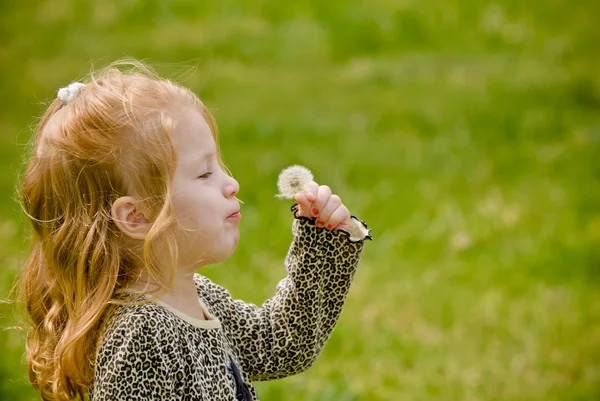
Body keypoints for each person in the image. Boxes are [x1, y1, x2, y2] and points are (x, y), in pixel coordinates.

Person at [18, 59, 372, 401]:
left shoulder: (191, 293)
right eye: (205, 174)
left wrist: (322, 241)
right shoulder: (141, 336)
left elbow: (281, 344)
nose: (231, 183)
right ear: (137, 216)